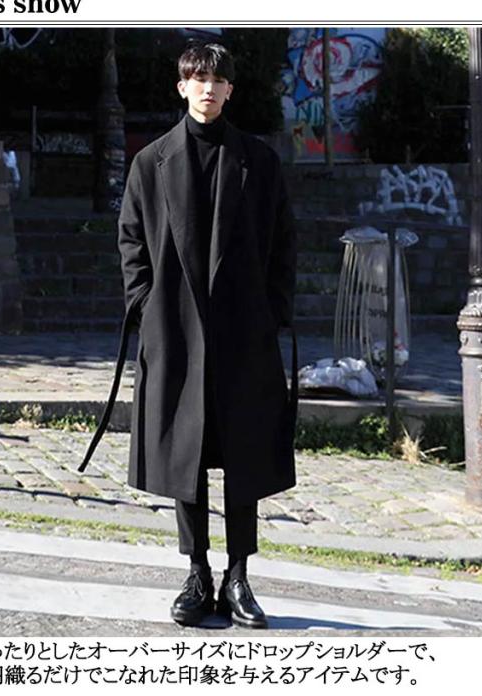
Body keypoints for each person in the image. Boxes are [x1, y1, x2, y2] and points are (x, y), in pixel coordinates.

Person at [80, 42, 298, 629]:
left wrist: (272, 311)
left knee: (246, 454)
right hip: (176, 331)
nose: (208, 88)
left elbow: (285, 242)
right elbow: (130, 240)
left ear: (230, 90)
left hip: (244, 334)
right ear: (182, 87)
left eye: (218, 79)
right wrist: (146, 307)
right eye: (198, 78)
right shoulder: (150, 163)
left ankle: (239, 576)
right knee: (185, 456)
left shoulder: (259, 162)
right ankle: (197, 573)